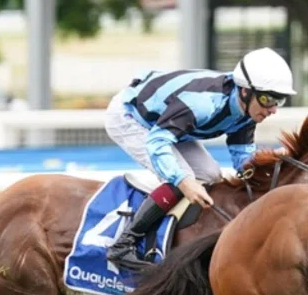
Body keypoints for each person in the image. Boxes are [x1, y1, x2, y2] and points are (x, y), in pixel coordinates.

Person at [103, 47, 296, 270]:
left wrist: (270, 163)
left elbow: (243, 160)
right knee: (181, 176)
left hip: (168, 124)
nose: (272, 110)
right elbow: (157, 142)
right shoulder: (203, 104)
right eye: (267, 99)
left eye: (278, 101)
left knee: (210, 174)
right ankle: (124, 243)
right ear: (244, 91)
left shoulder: (248, 112)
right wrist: (184, 182)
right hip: (130, 117)